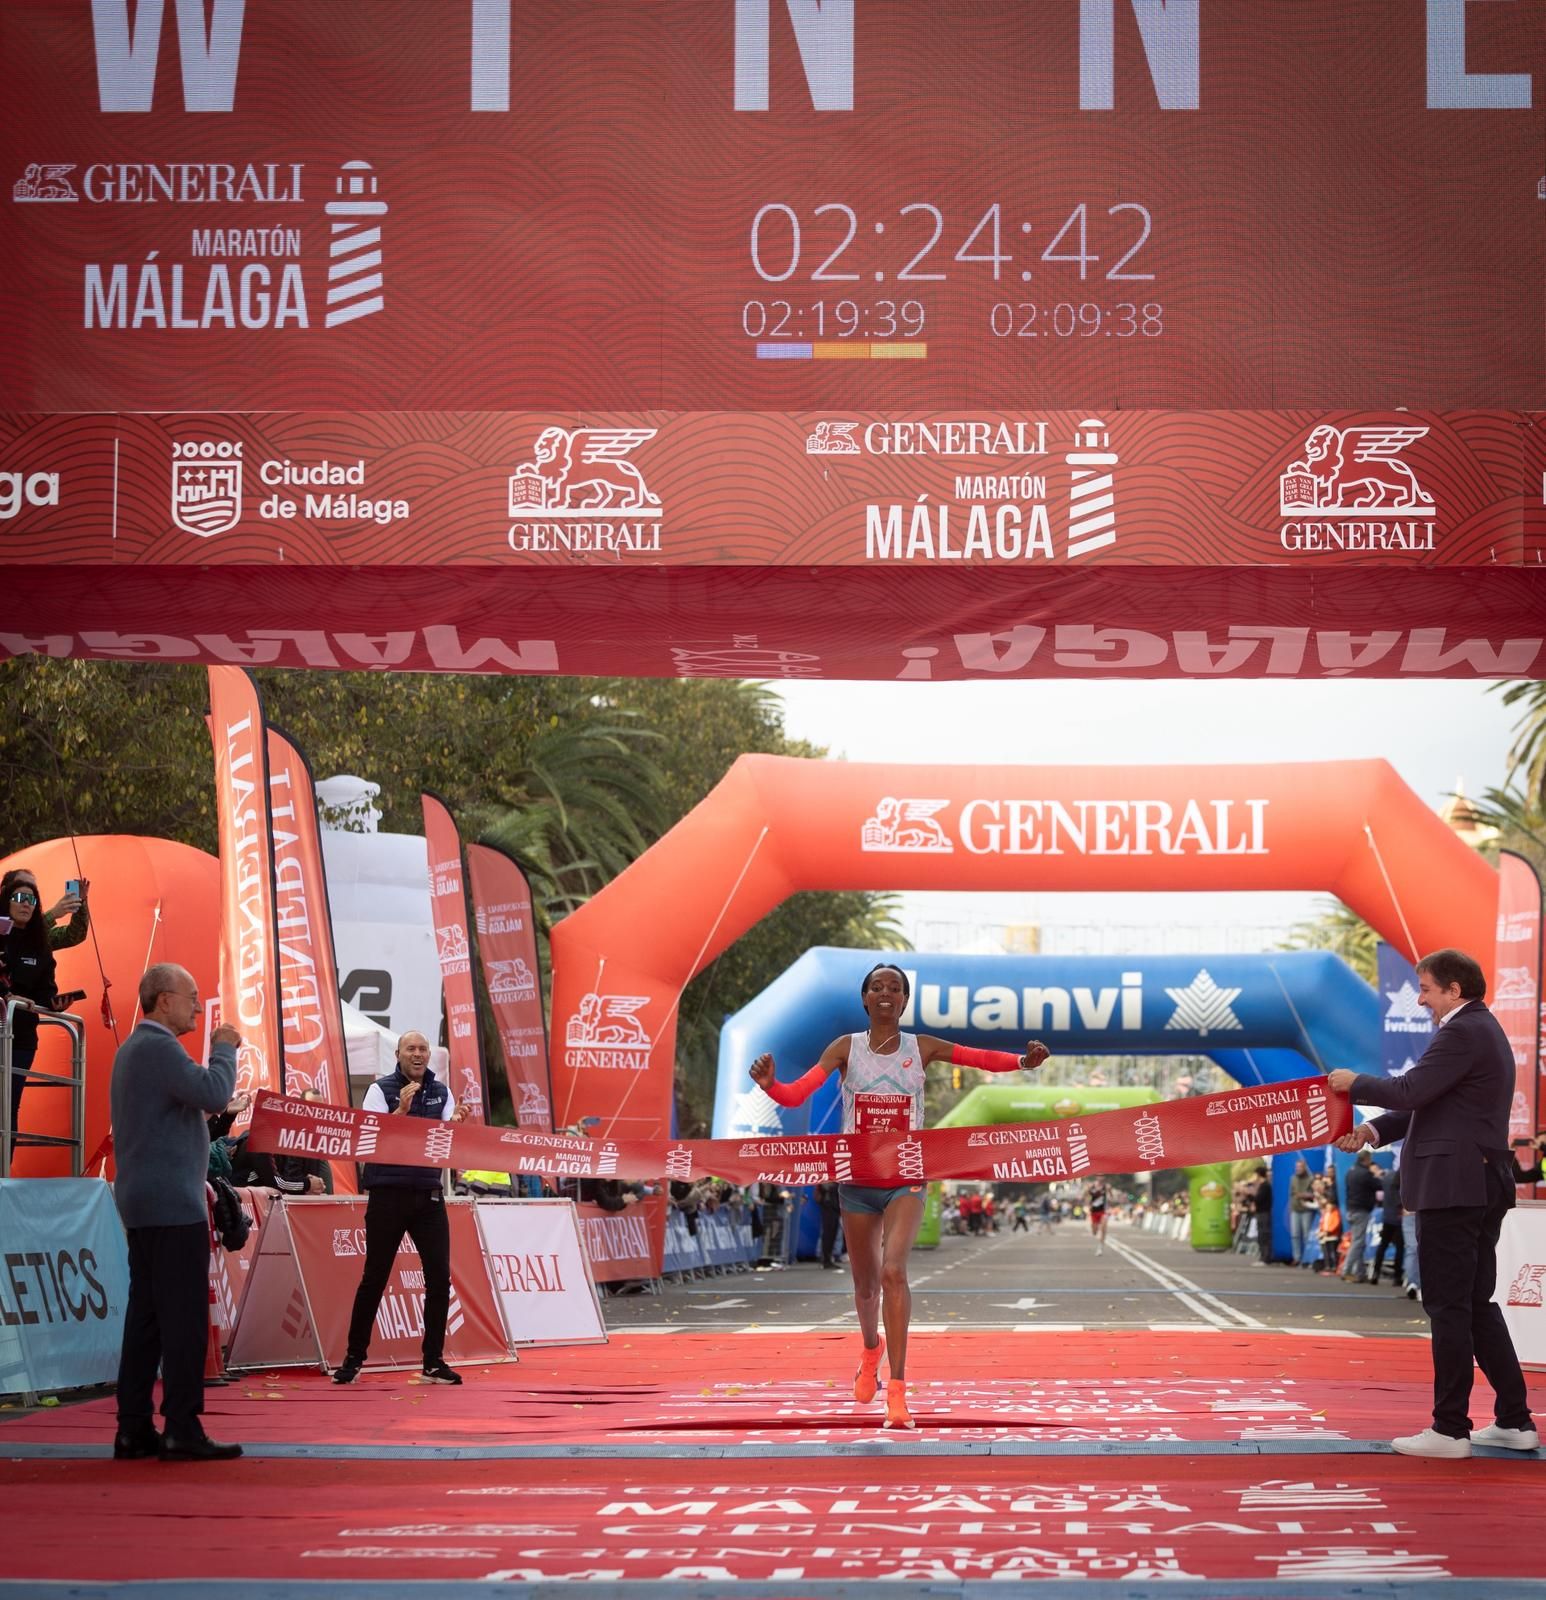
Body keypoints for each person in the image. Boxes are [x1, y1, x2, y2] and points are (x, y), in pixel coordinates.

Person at [750, 962, 1048, 1428]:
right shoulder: (844, 1047)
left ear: (905, 1001)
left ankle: (898, 1390)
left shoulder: (921, 1046)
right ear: (865, 998)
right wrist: (772, 1086)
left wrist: (1023, 1062)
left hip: (907, 1176)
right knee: (865, 1288)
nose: (886, 992)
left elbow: (977, 1057)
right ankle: (871, 1351)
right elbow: (798, 1093)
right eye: (877, 986)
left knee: (893, 1272)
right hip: (858, 1180)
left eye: (895, 987)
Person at [1329, 947, 1537, 1458]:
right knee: (1474, 1305)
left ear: (1454, 991)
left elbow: (1410, 1089)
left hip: (1455, 1185)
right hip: (1477, 1183)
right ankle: (1514, 1421)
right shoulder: (1477, 1031)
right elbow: (1429, 1101)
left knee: (1448, 1306)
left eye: (1426, 989)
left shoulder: (1463, 1031)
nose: (1420, 1000)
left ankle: (1449, 1430)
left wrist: (1355, 1085)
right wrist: (1373, 1129)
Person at [110, 962, 244, 1461]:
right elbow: (213, 1090)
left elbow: (191, 1104)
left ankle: (133, 1426)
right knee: (183, 1318)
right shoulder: (159, 1047)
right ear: (163, 1000)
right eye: (191, 996)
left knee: (145, 1318)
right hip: (171, 1203)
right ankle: (182, 1426)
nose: (196, 1004)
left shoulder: (135, 1050)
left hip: (145, 1201)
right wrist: (226, 1047)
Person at [333, 1030, 470, 1385]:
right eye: (411, 1048)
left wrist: (457, 1124)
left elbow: (450, 1138)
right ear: (398, 1054)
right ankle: (353, 1359)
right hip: (388, 1195)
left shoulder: (442, 1092)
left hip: (428, 1196)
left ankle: (433, 1361)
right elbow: (373, 1137)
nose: (418, 1054)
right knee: (374, 1278)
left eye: (423, 1049)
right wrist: (402, 1111)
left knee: (439, 1278)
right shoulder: (380, 1090)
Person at [1, 869, 60, 1155]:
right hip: (2, 1024)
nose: (26, 904)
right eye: (20, 897)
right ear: (7, 902)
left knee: (9, 1107)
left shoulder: (41, 943)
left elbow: (46, 990)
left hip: (22, 1036)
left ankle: (3, 1179)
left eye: (32, 899)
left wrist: (55, 1003)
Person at [1340, 1149, 1380, 1282]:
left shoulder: (1350, 1172)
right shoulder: (1366, 1174)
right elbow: (1379, 1185)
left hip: (1351, 1209)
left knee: (1359, 1242)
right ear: (1366, 1159)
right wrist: (1377, 1174)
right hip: (1361, 1211)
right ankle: (1347, 1270)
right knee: (1358, 1242)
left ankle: (1360, 1273)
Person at [1371, 1162, 1405, 1287]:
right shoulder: (1404, 1176)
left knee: (1383, 1245)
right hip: (1399, 1216)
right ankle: (1397, 1277)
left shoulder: (1386, 1177)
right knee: (1400, 1248)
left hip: (1387, 1216)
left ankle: (1375, 1273)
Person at [1289, 1157, 1316, 1267]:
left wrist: (1305, 1195)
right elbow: (1291, 1194)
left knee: (1306, 1235)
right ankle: (1297, 1257)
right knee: (1295, 1235)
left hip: (1306, 1209)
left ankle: (1307, 1258)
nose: (1298, 1169)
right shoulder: (1293, 1178)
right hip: (1295, 1209)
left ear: (1304, 1168)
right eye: (1296, 1167)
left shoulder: (1311, 1179)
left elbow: (1315, 1194)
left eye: (1300, 1167)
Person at [1251, 1165, 1275, 1264]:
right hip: (1261, 1212)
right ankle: (1263, 1256)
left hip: (1264, 1213)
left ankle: (1265, 1257)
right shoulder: (1263, 1185)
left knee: (1264, 1235)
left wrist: (1252, 1193)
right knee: (1262, 1235)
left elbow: (1258, 1199)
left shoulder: (1265, 1186)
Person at [817, 1181, 844, 1269]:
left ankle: (827, 1258)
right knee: (828, 1234)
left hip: (834, 1207)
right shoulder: (827, 1181)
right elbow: (826, 1188)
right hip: (829, 1207)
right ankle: (826, 1259)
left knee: (832, 1233)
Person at [1086, 1180, 1109, 1255]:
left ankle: (1100, 1247)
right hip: (1094, 1212)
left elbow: (1112, 1197)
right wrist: (1087, 1189)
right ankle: (1096, 1232)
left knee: (1103, 1229)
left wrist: (1109, 1190)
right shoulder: (1091, 1189)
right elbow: (1085, 1197)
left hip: (1103, 1211)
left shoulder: (1105, 1188)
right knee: (1094, 1232)